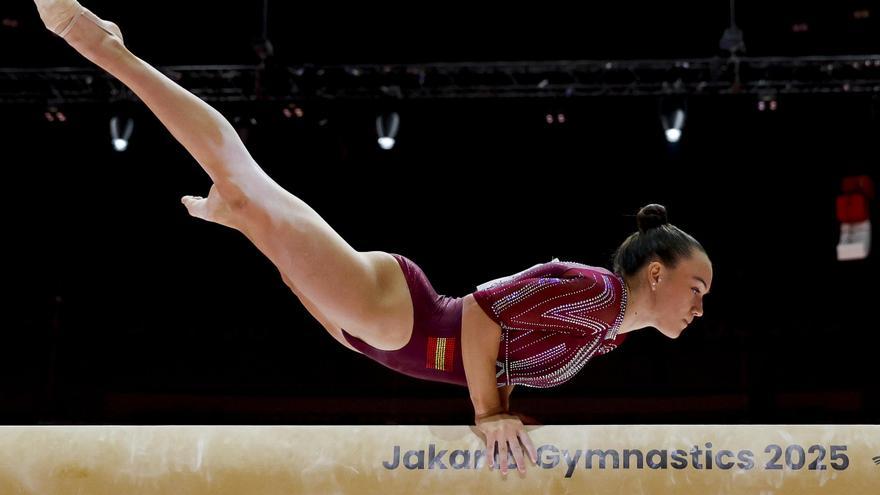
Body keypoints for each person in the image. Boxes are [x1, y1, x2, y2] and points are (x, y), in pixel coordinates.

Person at [31, 0, 713, 476]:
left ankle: (243, 218)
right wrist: (489, 413)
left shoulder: (607, 330)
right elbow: (481, 314)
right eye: (698, 285)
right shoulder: (596, 294)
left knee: (249, 203)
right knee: (239, 175)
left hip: (386, 337)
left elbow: (502, 346)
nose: (701, 305)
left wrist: (504, 408)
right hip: (409, 319)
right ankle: (105, 46)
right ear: (656, 272)